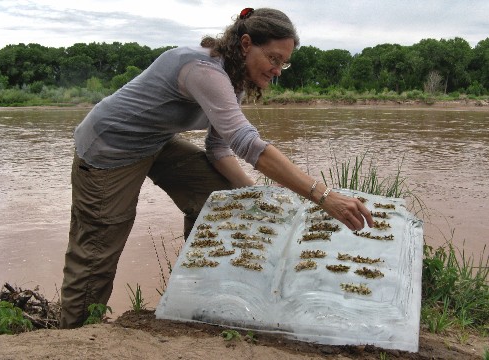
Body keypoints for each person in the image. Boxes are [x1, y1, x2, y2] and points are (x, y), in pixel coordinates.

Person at [60, 7, 374, 329]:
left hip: (155, 142)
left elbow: (218, 146)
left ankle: (199, 292)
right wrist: (323, 196)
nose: (278, 70)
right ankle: (73, 336)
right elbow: (244, 142)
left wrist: (254, 192)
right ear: (246, 43)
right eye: (274, 59)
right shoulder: (203, 69)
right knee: (97, 250)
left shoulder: (234, 78)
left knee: (222, 198)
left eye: (284, 62)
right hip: (109, 147)